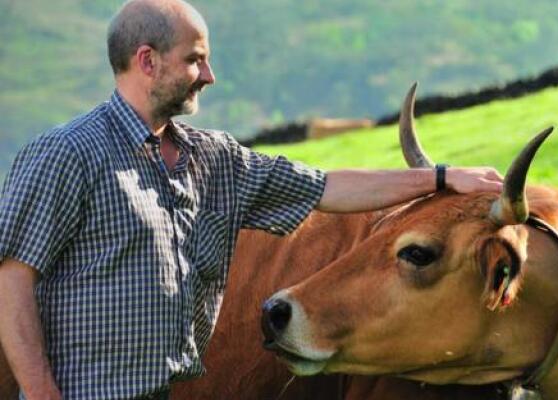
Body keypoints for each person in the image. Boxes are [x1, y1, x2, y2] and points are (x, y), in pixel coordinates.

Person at [0, 0, 503, 399]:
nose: (210, 74)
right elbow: (12, 279)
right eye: (195, 59)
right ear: (147, 61)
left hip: (161, 393)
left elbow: (327, 187)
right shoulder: (65, 154)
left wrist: (441, 179)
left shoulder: (212, 159)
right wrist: (42, 393)